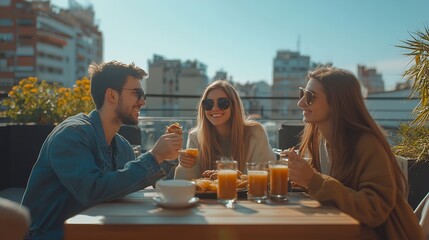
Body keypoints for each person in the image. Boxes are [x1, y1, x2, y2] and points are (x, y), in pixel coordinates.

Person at [21, 61, 182, 239]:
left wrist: (166, 159)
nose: (143, 101)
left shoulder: (122, 147)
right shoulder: (71, 135)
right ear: (112, 95)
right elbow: (93, 191)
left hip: (95, 231)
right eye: (137, 93)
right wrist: (155, 156)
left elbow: (131, 186)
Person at [284, 67, 424, 240]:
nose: (301, 103)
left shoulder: (366, 143)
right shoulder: (318, 139)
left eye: (311, 96)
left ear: (337, 102)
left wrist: (313, 180)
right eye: (302, 94)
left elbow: (375, 209)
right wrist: (297, 176)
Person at [174, 80, 276, 180]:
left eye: (222, 103)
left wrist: (231, 178)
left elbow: (266, 176)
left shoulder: (254, 133)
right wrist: (185, 165)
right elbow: (188, 184)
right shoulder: (195, 137)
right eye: (208, 104)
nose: (214, 108)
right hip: (206, 197)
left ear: (234, 106)